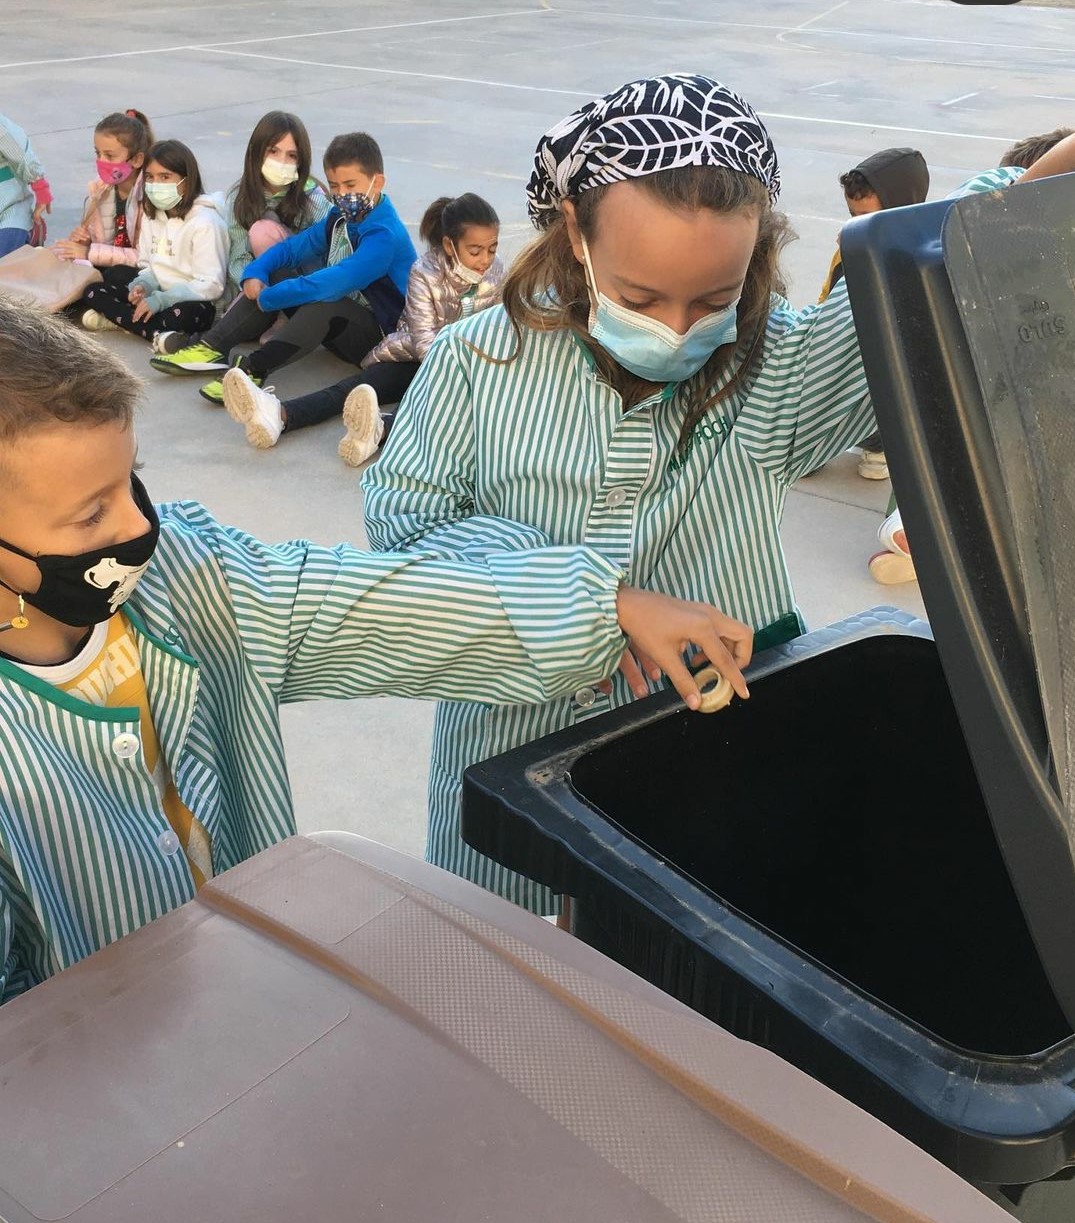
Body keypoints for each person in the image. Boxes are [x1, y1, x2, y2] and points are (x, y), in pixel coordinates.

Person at [0, 298, 752, 1002]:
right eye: (90, 513)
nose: (135, 528)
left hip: (245, 991)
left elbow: (370, 606)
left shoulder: (193, 577)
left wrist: (602, 606)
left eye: (132, 480)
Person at [363, 73, 879, 916]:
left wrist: (1038, 170)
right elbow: (407, 530)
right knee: (507, 975)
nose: (677, 331)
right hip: (508, 752)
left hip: (708, 766)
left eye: (713, 299)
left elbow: (931, 271)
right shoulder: (473, 364)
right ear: (574, 228)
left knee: (677, 968)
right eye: (639, 298)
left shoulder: (771, 367)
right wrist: (599, 600)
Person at [869, 127, 1075, 586]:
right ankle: (917, 527)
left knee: (938, 440)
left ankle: (915, 527)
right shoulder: (1005, 210)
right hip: (1003, 375)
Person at [221, 191, 504, 464]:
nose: (485, 260)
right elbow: (423, 341)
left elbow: (500, 327)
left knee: (450, 407)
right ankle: (279, 414)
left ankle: (379, 431)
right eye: (475, 251)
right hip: (418, 358)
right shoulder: (424, 272)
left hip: (471, 367)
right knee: (359, 389)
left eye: (492, 249)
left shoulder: (497, 273)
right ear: (449, 245)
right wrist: (456, 373)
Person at [148, 131, 416, 406]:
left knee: (324, 301)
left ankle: (253, 371)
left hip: (381, 339)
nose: (341, 194)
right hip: (345, 320)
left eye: (350, 185)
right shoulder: (342, 216)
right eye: (334, 186)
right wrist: (256, 272)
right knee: (276, 274)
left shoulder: (384, 235)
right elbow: (294, 248)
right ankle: (211, 348)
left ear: (377, 182)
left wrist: (270, 297)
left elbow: (333, 282)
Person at [148, 111, 331, 359]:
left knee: (262, 232)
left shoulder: (311, 196)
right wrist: (251, 281)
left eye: (292, 155)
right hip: (263, 280)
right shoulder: (239, 197)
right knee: (237, 310)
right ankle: (204, 347)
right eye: (273, 151)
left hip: (304, 284)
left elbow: (337, 240)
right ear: (256, 152)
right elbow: (238, 255)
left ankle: (276, 319)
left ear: (301, 161)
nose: (282, 161)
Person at [818, 148, 929, 481]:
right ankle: (817, 441)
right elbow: (826, 300)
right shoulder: (849, 248)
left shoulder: (919, 257)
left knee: (885, 387)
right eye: (852, 215)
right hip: (843, 349)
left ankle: (879, 445)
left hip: (884, 365)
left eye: (865, 216)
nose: (856, 225)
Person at [78, 139, 228, 341]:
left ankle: (129, 323)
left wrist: (163, 300)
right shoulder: (153, 215)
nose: (156, 184)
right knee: (95, 289)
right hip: (157, 293)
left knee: (185, 315)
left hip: (193, 300)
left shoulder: (205, 222)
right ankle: (152, 330)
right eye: (150, 177)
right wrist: (143, 286)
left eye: (165, 177)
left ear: (187, 180)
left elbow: (211, 285)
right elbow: (149, 265)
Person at [52, 109, 154, 326]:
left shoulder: (150, 197)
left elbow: (144, 257)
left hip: (142, 272)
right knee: (63, 262)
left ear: (136, 160)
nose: (101, 161)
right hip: (106, 262)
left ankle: (110, 313)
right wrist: (83, 241)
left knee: (114, 276)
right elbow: (100, 241)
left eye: (110, 155)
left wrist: (89, 252)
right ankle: (94, 308)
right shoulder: (101, 190)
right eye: (97, 153)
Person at [0, 113, 51, 257]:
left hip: (9, 210)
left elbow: (21, 153)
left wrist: (41, 189)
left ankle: (30, 232)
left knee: (4, 260)